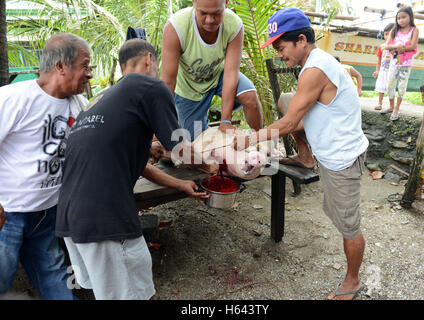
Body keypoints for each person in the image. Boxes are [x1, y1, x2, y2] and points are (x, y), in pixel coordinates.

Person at [55, 38, 209, 300]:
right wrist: (213, 163)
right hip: (105, 217)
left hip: (69, 217)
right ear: (149, 60)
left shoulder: (104, 98)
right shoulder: (149, 86)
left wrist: (179, 184)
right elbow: (181, 149)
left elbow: (132, 164)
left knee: (108, 292)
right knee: (134, 293)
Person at [235, 8, 369, 300]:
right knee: (286, 99)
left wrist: (248, 140)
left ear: (301, 40)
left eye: (281, 48)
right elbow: (294, 110)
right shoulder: (314, 60)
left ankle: (353, 280)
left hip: (341, 159)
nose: (279, 54)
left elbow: (290, 123)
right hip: (327, 148)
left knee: (348, 225)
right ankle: (306, 155)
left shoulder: (315, 70)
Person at [0, 33, 93, 300]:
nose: (90, 75)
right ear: (61, 66)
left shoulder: (80, 104)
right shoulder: (13, 99)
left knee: (55, 278)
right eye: (85, 66)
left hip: (47, 214)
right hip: (8, 215)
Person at [161, 0, 263, 140]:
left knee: (250, 98)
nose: (209, 20)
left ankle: (260, 144)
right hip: (188, 88)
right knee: (193, 140)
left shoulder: (234, 25)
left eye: (216, 13)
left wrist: (226, 121)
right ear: (194, 4)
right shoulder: (176, 27)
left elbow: (231, 73)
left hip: (219, 74)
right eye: (203, 13)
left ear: (226, 3)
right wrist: (160, 127)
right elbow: (168, 81)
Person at [381, 6, 419, 121]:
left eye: (403, 17)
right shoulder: (394, 30)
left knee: (401, 87)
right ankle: (391, 106)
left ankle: (397, 108)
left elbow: (413, 46)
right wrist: (396, 47)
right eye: (398, 18)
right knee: (389, 85)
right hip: (394, 62)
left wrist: (400, 49)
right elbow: (386, 46)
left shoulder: (414, 30)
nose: (401, 20)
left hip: (406, 64)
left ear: (410, 17)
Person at [372, 23, 395, 111]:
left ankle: (391, 106)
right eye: (385, 34)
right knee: (381, 86)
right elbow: (379, 59)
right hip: (383, 70)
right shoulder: (382, 46)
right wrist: (377, 71)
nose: (387, 36)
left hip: (392, 70)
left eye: (389, 34)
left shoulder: (396, 46)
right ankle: (379, 103)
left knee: (390, 88)